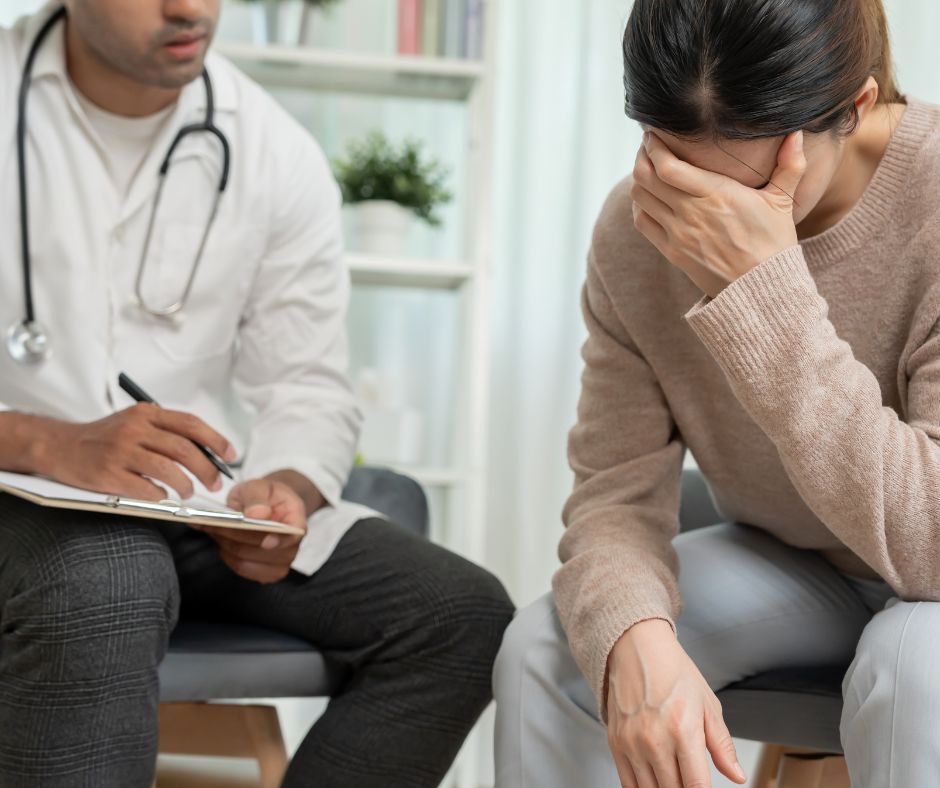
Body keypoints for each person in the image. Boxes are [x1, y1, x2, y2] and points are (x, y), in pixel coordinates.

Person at [0, 1, 514, 786]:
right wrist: (45, 442)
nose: (190, 8)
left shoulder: (273, 149)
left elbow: (308, 383)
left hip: (188, 502)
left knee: (457, 616)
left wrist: (287, 492)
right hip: (18, 498)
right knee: (109, 579)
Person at [494, 0, 940, 786]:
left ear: (859, 108)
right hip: (799, 565)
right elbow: (612, 496)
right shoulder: (636, 232)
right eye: (676, 164)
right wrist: (635, 637)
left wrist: (764, 293)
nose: (702, 214)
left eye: (750, 185)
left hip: (928, 575)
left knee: (916, 668)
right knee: (550, 648)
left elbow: (932, 543)